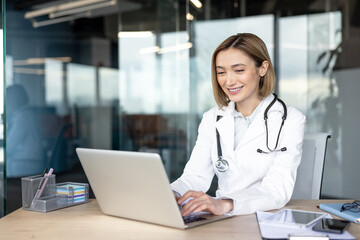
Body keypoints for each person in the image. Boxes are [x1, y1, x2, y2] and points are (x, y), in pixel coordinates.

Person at [171, 33, 306, 216]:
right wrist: (172, 193)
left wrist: (226, 204)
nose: (229, 81)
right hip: (223, 220)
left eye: (239, 70)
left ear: (263, 68)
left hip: (265, 218)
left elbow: (277, 189)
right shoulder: (212, 118)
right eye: (221, 72)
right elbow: (196, 176)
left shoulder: (290, 119)